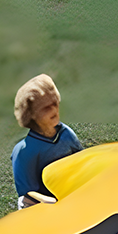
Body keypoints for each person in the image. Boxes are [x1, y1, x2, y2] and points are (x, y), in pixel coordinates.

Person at [11, 73, 82, 209]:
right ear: (31, 115)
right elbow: (28, 192)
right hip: (42, 203)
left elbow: (82, 160)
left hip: (68, 191)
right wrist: (54, 202)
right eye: (46, 108)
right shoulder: (23, 151)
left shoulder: (65, 133)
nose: (54, 110)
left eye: (55, 103)